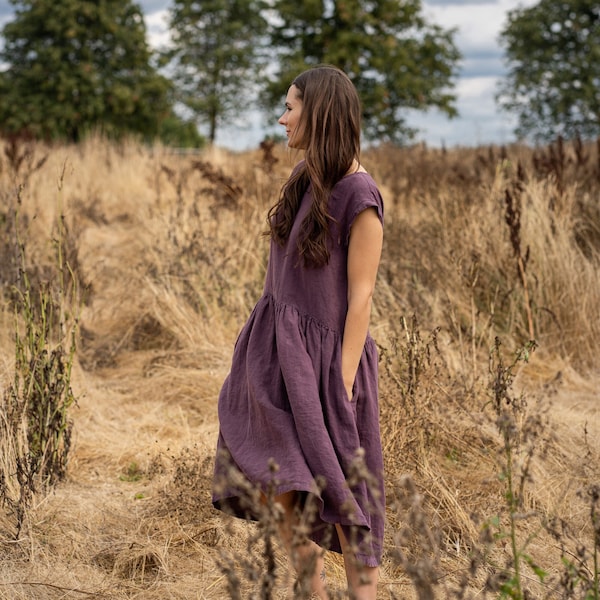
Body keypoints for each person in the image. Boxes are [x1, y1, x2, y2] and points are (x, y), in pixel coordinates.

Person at [212, 64, 385, 599]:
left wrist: (342, 382)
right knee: (280, 487)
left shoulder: (361, 197)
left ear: (320, 114)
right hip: (276, 358)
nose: (282, 118)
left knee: (347, 508)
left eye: (290, 108)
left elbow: (360, 300)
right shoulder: (300, 179)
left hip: (329, 372)